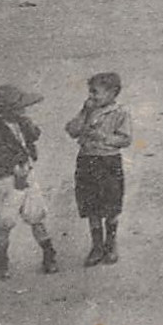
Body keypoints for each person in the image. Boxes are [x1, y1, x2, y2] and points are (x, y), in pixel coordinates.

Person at [0, 84, 59, 278]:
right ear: (3, 111)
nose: (23, 110)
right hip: (6, 178)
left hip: (26, 173)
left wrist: (29, 125)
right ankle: (1, 261)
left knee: (36, 214)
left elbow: (35, 135)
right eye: (18, 108)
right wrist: (14, 167)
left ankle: (49, 254)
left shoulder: (20, 122)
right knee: (5, 221)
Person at [65, 72, 133, 266]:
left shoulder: (120, 112)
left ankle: (110, 243)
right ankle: (96, 246)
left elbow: (126, 139)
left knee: (111, 204)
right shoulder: (88, 110)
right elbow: (71, 130)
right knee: (91, 204)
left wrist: (104, 137)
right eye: (90, 92)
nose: (91, 96)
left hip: (109, 161)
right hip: (87, 160)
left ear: (113, 93)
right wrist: (84, 113)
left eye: (96, 92)